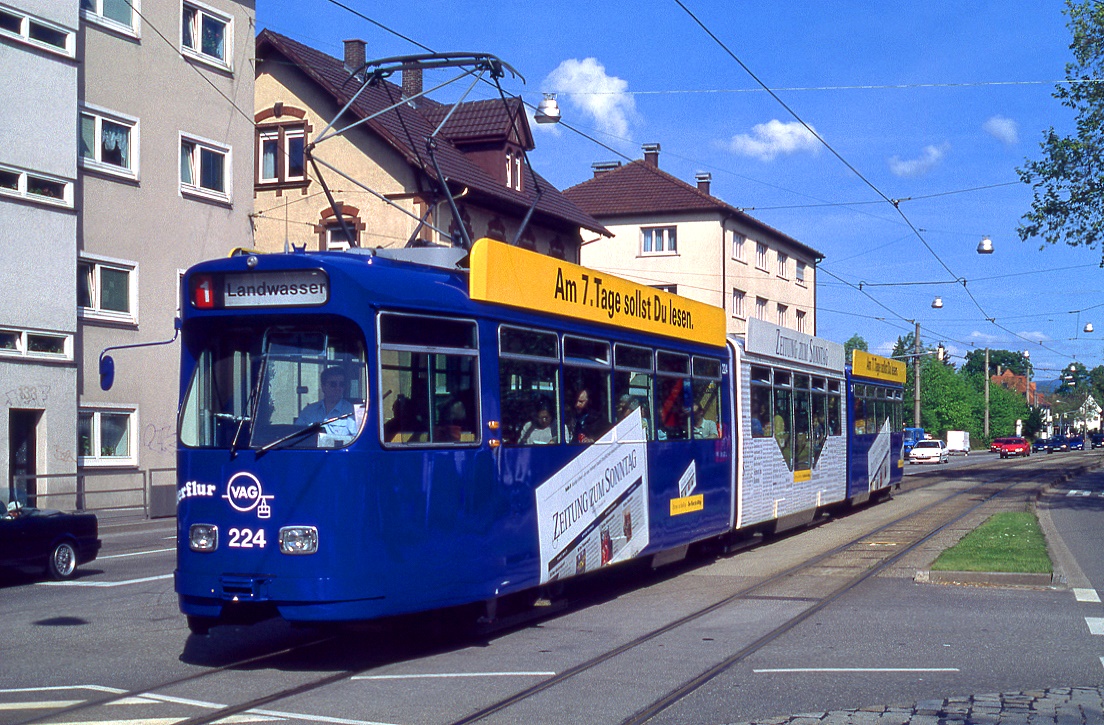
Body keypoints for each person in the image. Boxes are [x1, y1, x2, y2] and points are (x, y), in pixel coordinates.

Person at [295, 366, 358, 438]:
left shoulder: (352, 412)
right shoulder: (309, 412)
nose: (338, 388)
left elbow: (358, 441)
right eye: (333, 384)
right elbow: (295, 436)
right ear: (323, 387)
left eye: (341, 384)